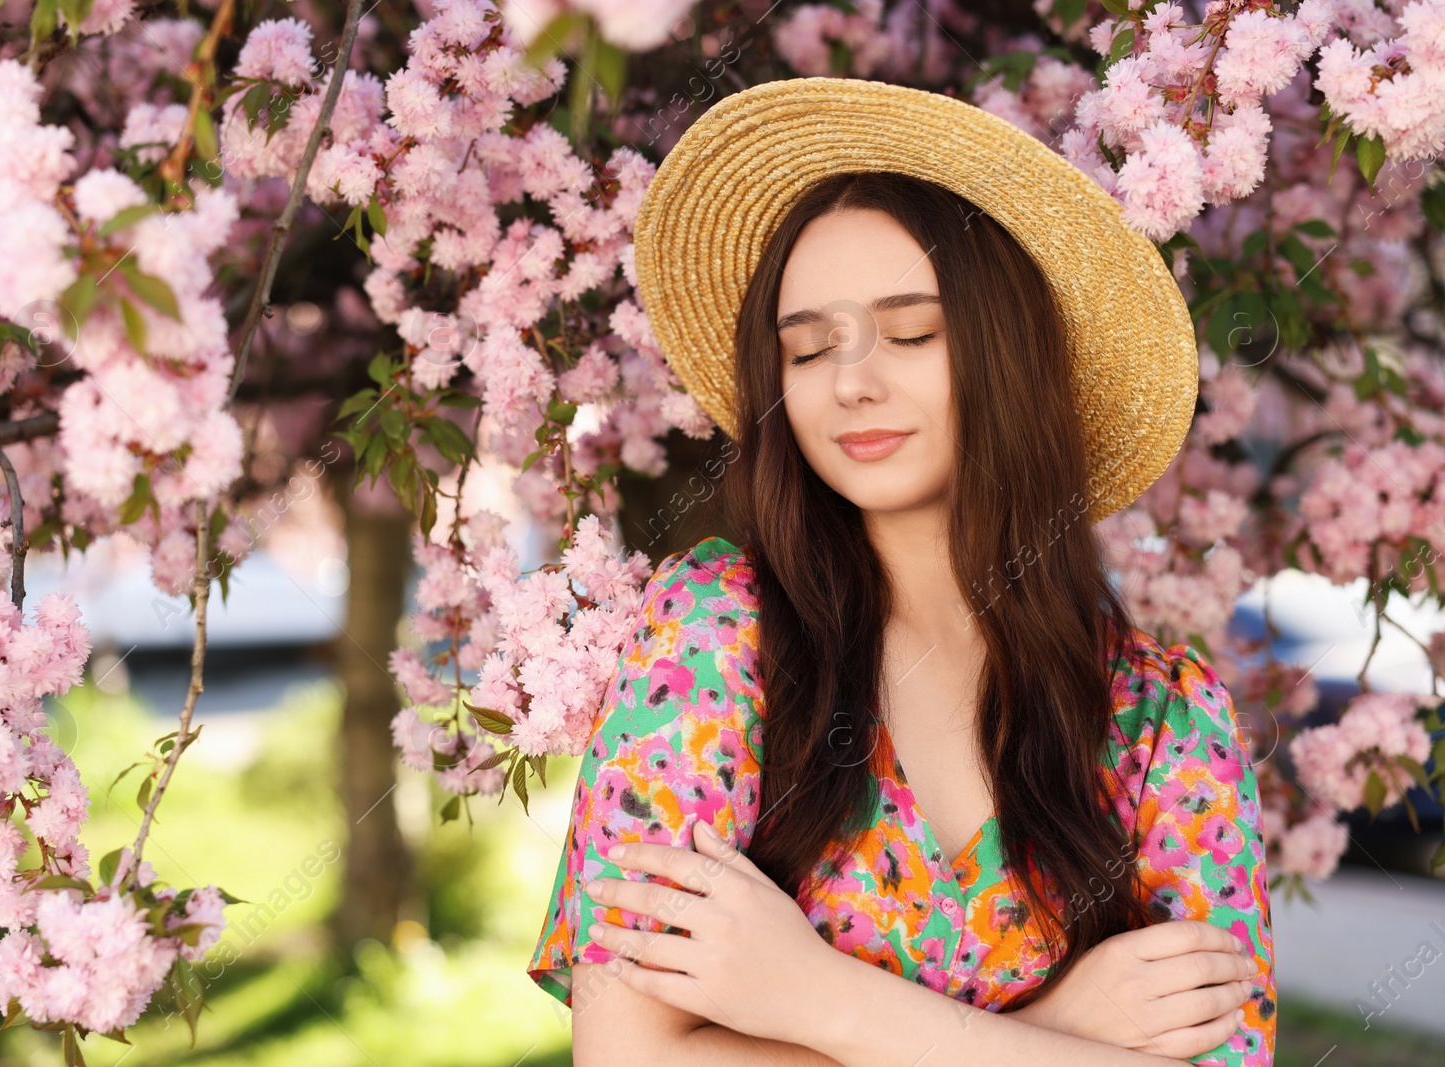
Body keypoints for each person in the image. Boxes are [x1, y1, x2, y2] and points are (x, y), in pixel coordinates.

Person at [525, 78, 1275, 1067]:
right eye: (807, 349)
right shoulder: (712, 641)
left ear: (1013, 355)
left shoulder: (1163, 723)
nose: (850, 381)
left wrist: (816, 998)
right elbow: (628, 1058)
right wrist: (1057, 1037)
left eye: (911, 332)